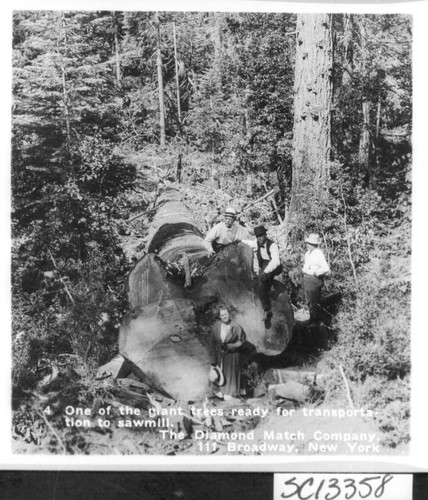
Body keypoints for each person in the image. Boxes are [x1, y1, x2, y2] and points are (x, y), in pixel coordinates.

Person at [243, 225, 282, 321]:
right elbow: (249, 243)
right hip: (264, 265)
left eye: (261, 235)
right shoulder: (257, 243)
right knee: (258, 280)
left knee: (262, 283)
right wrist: (239, 241)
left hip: (274, 266)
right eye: (257, 236)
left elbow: (276, 261)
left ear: (265, 235)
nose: (259, 238)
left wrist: (266, 272)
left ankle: (267, 309)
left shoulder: (272, 245)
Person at [210, 306, 247, 399]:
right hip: (220, 356)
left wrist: (231, 346)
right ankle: (221, 392)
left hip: (232, 356)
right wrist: (213, 360)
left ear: (229, 314)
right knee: (219, 373)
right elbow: (212, 344)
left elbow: (242, 341)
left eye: (226, 314)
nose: (224, 316)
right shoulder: (216, 327)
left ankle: (229, 394)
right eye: (222, 315)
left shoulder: (236, 326)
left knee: (230, 376)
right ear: (219, 316)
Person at [302, 233, 330, 322]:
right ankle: (312, 318)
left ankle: (316, 322)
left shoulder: (318, 253)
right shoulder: (307, 254)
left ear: (315, 244)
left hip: (314, 280)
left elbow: (326, 268)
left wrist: (316, 272)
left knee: (314, 302)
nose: (308, 245)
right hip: (307, 279)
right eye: (308, 243)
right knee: (309, 301)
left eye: (310, 244)